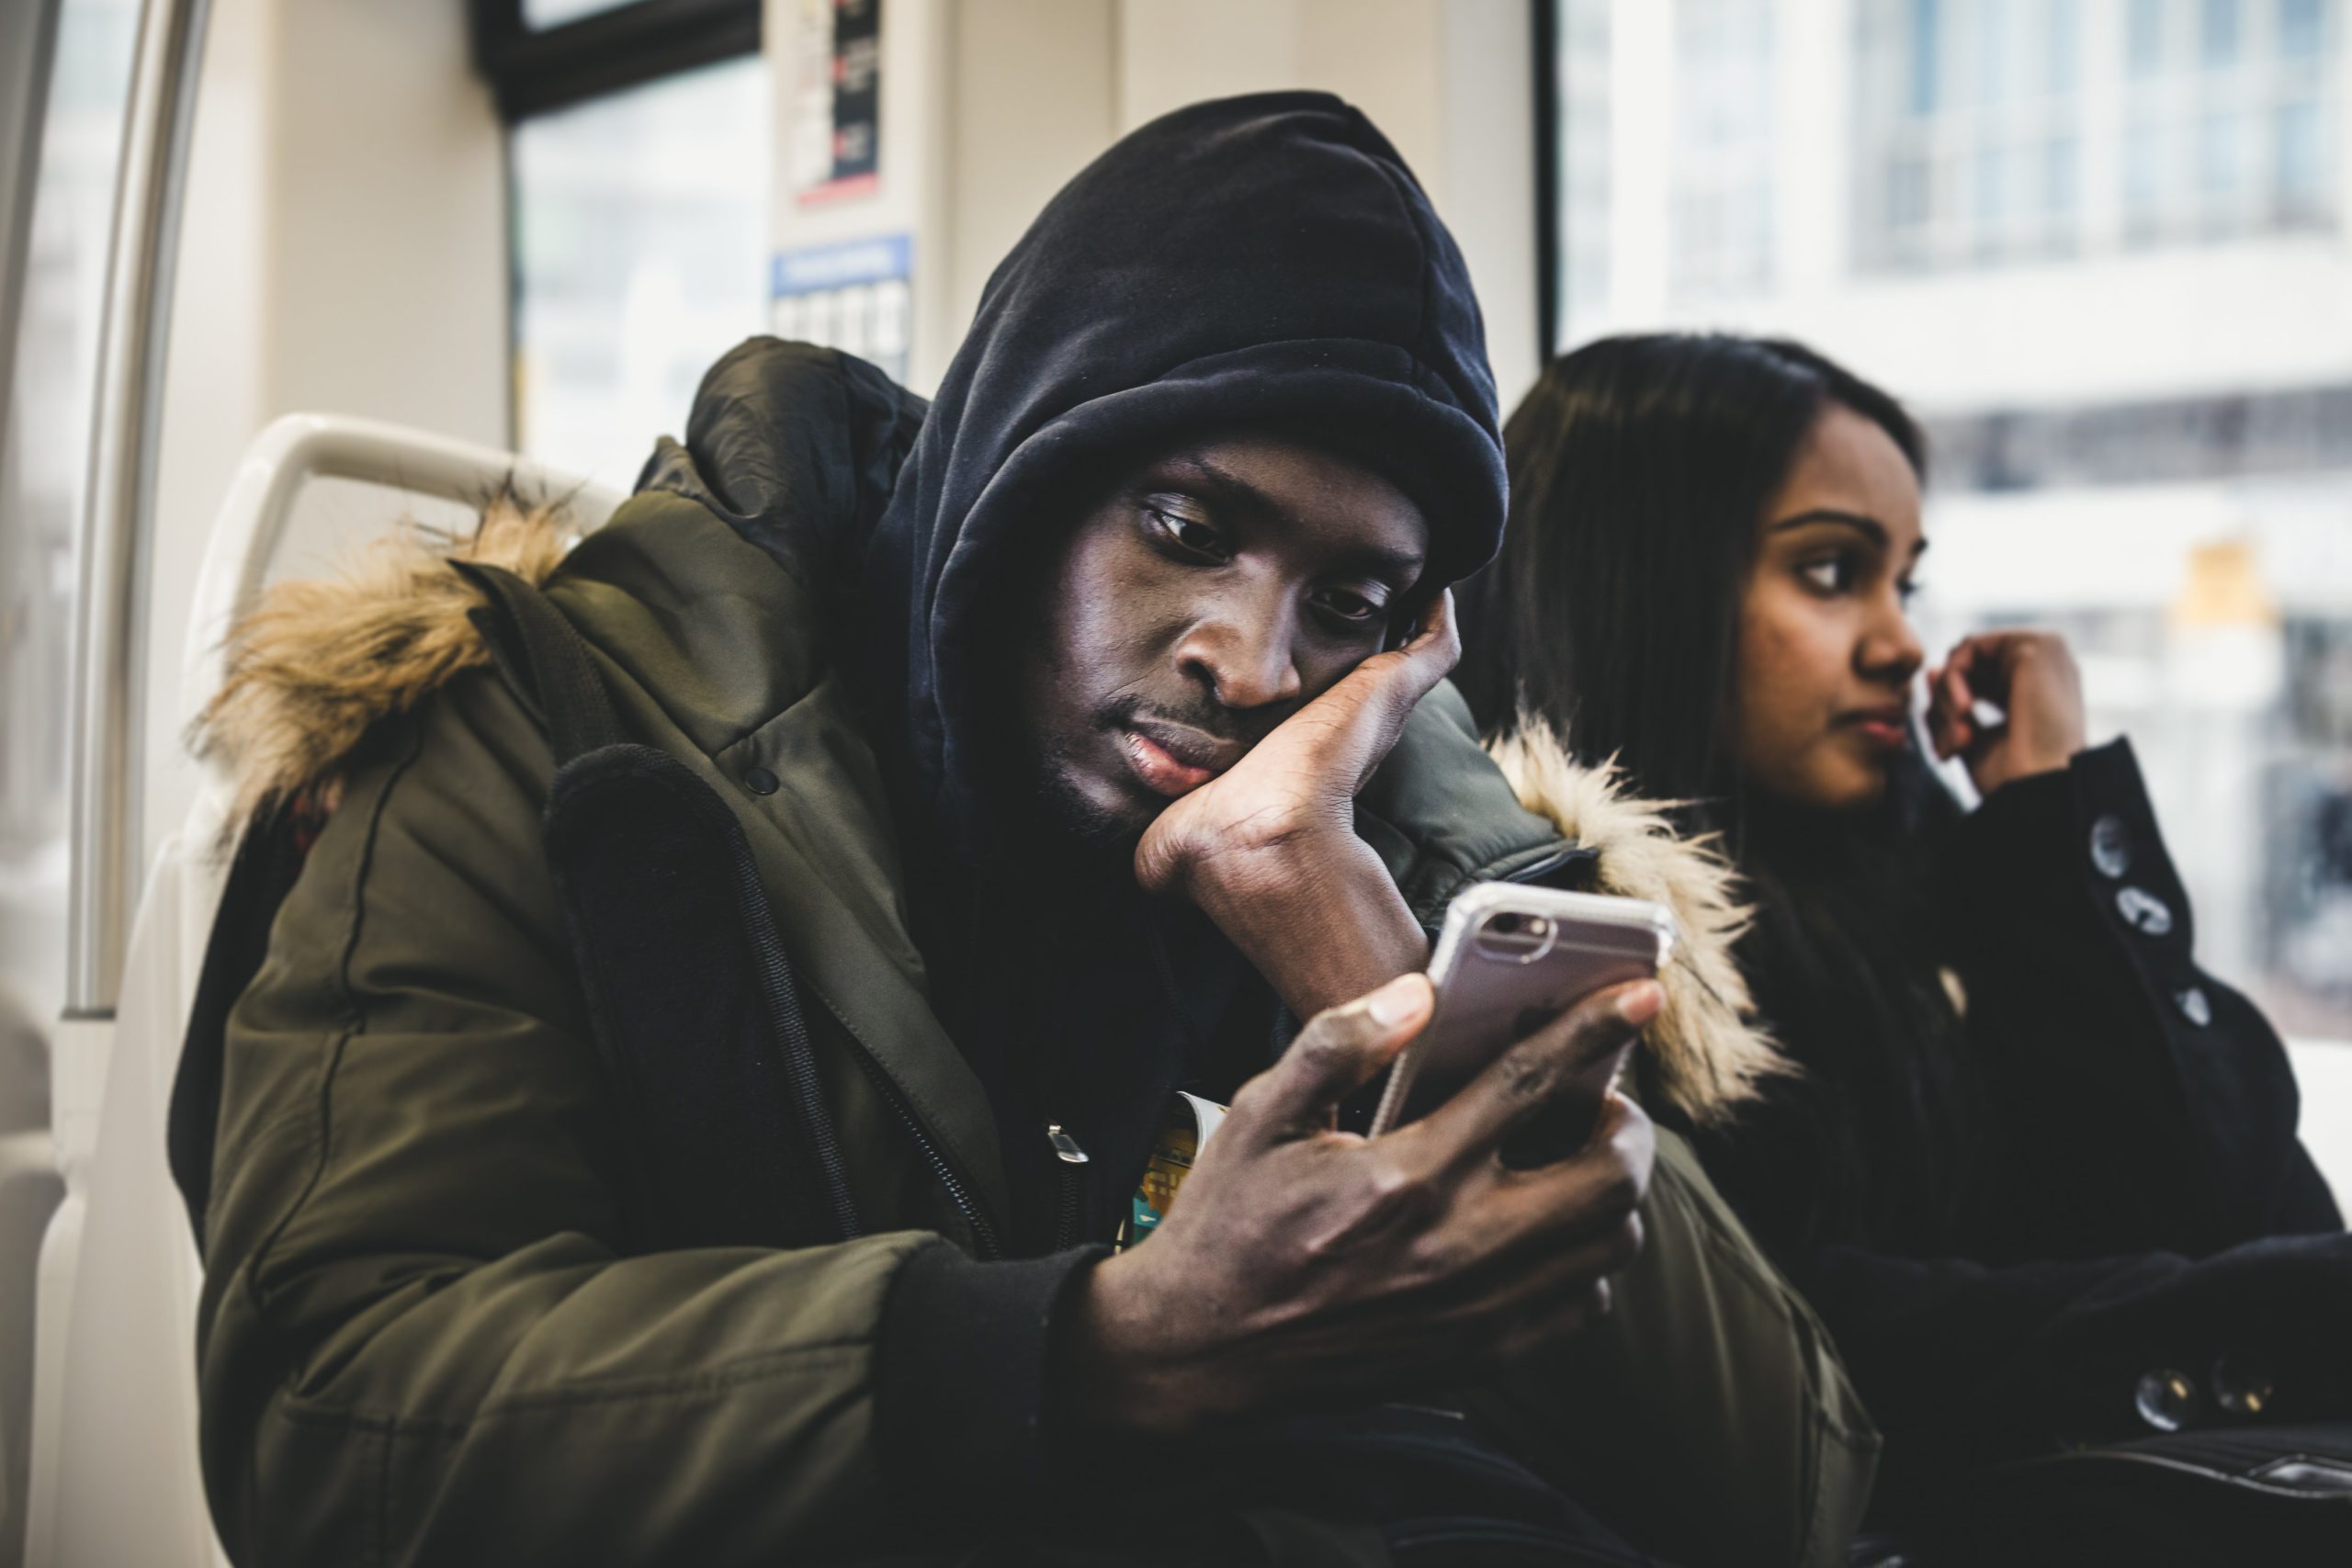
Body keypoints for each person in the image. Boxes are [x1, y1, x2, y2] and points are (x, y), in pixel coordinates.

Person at [184, 102, 1874, 1566]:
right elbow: (333, 1428)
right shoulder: (552, 731)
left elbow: (1791, 1497)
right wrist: (1085, 1351)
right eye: (1184, 525)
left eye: (1348, 601)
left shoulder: (1380, 830)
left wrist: (1364, 959)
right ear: (1015, 474)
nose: (1251, 659)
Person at [1459, 331, 2352, 1556]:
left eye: (1904, 582)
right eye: (1831, 573)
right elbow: (1814, 1331)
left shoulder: (1922, 884)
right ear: (1644, 578)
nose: (1901, 645)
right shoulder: (1572, 929)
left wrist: (2048, 815)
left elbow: (2216, 1194)